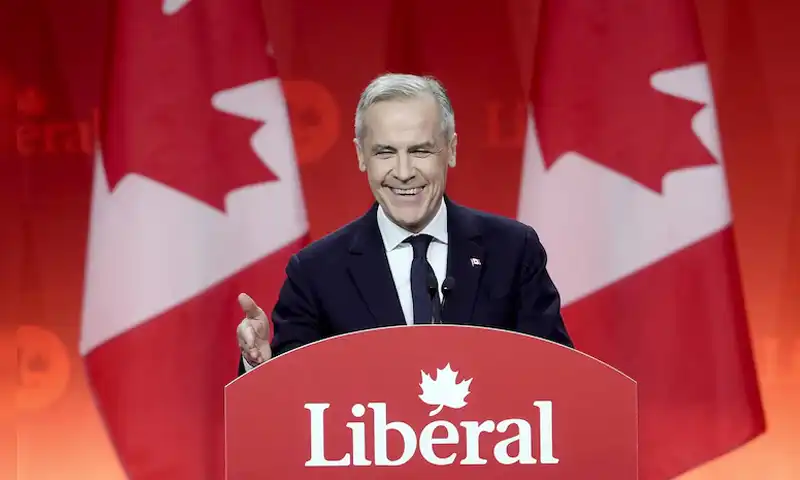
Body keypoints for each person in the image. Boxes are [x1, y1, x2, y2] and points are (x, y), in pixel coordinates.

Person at [236, 73, 572, 374]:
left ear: (451, 150)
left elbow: (558, 375)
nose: (403, 171)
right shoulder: (316, 272)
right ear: (360, 156)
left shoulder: (513, 251)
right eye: (384, 152)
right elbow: (289, 403)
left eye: (420, 150)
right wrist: (259, 364)